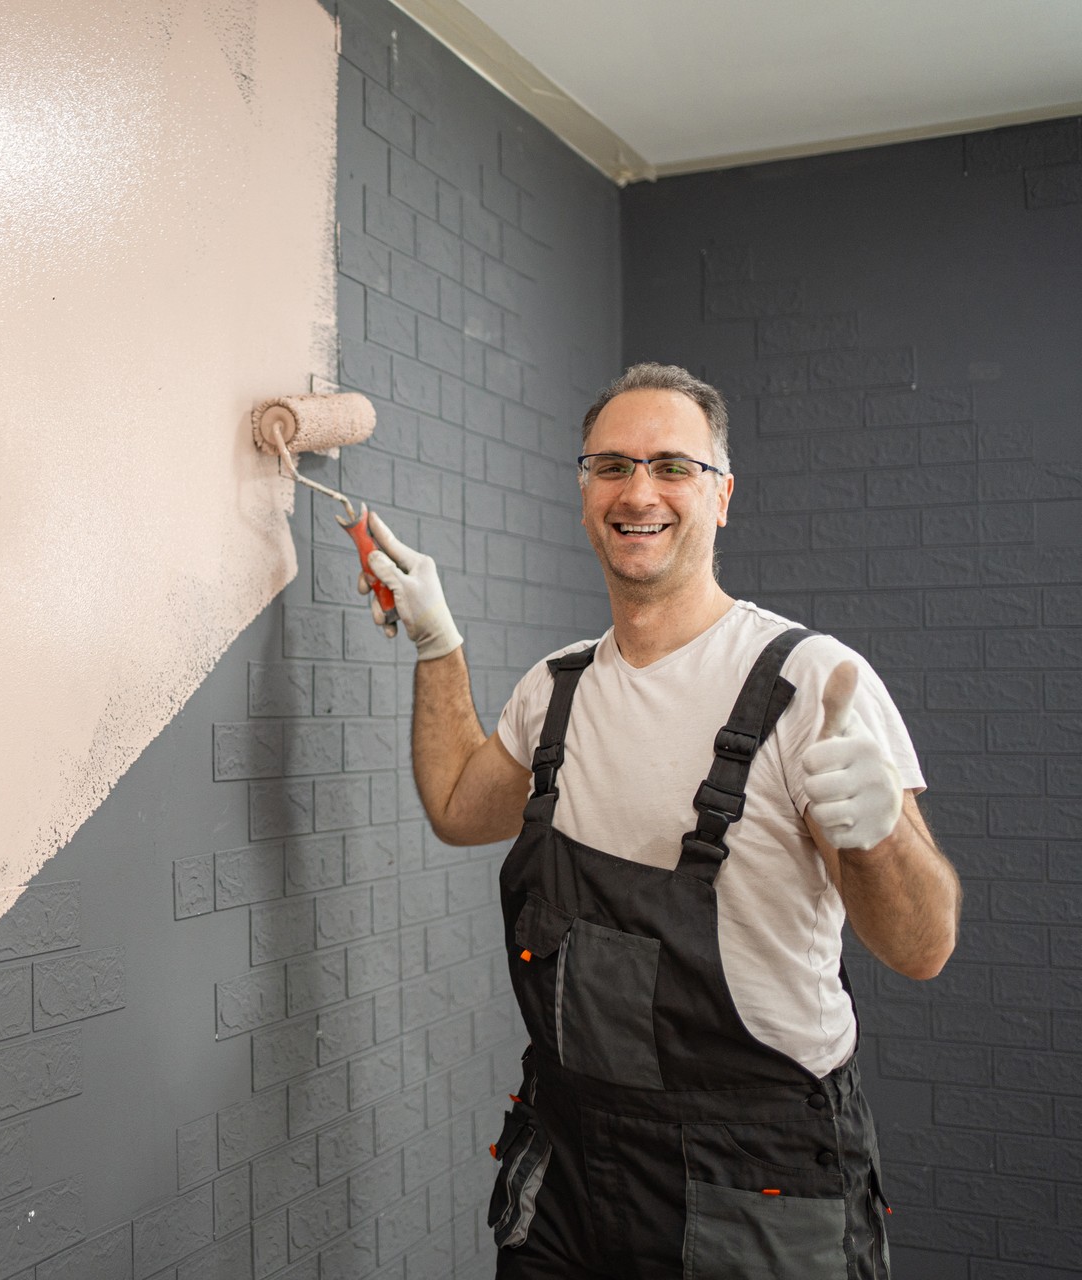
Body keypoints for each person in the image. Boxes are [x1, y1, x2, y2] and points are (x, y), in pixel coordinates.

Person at [360, 362, 960, 1279]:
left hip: (752, 1179)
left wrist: (883, 837)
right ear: (584, 489)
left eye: (673, 466)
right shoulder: (557, 690)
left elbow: (921, 947)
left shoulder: (811, 685)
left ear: (722, 496)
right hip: (567, 1153)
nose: (639, 491)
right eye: (612, 465)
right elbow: (456, 809)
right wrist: (439, 644)